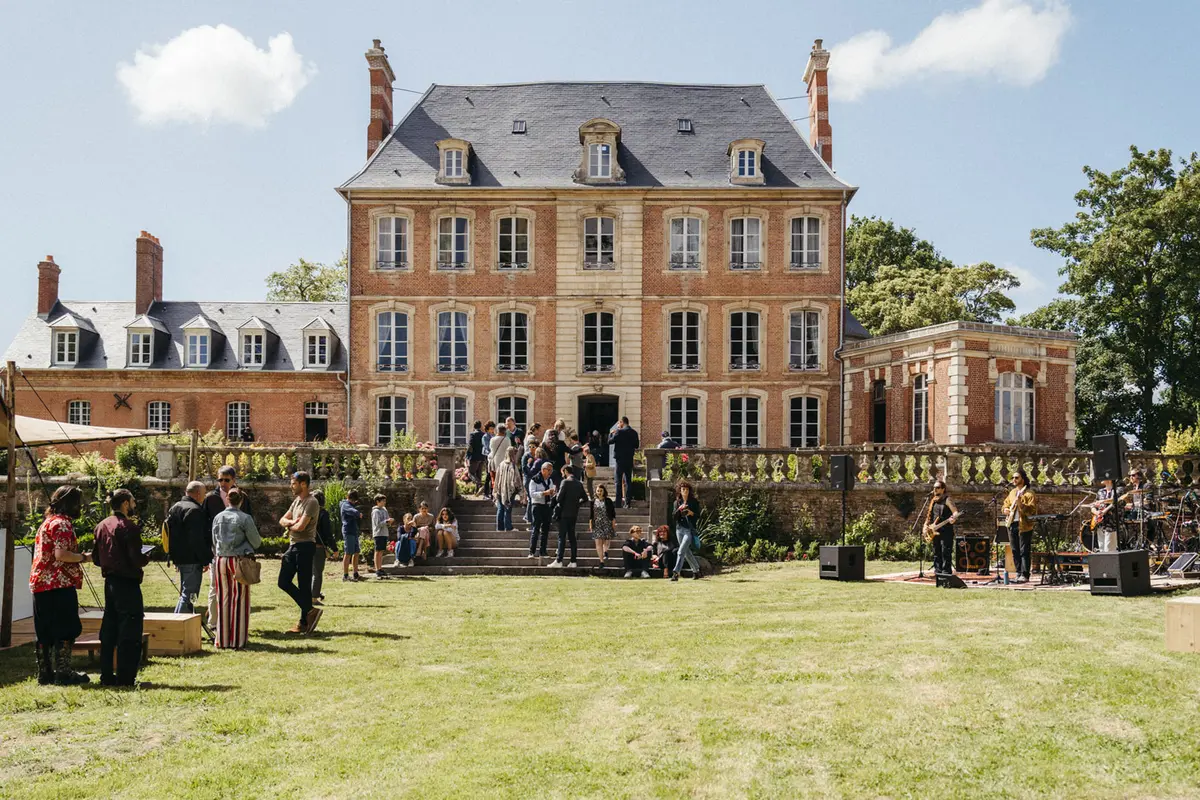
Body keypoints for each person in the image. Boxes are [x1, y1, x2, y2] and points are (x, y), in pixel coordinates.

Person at [29, 485, 90, 686]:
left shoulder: (47, 522)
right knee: (67, 628)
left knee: (44, 630)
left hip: (40, 583)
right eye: (78, 503)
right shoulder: (63, 524)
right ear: (70, 503)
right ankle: (63, 672)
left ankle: (45, 673)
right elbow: (61, 554)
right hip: (59, 582)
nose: (80, 507)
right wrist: (84, 557)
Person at [92, 489, 151, 687]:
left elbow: (96, 559)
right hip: (127, 583)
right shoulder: (129, 527)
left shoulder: (101, 526)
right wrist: (146, 558)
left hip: (110, 583)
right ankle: (126, 678)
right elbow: (136, 559)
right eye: (133, 502)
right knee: (130, 629)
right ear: (125, 503)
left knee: (109, 628)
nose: (134, 505)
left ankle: (107, 675)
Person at [211, 488, 262, 650]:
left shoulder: (218, 517)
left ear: (227, 499)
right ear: (241, 501)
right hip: (238, 560)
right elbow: (256, 542)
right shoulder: (245, 518)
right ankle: (238, 640)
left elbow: (213, 540)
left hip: (220, 560)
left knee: (223, 598)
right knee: (239, 600)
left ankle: (222, 640)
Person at [203, 466, 253, 624]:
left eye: (226, 480)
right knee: (214, 586)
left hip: (239, 552)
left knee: (239, 588)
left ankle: (235, 621)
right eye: (220, 480)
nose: (222, 483)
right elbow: (205, 526)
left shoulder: (242, 497)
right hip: (217, 550)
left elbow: (249, 522)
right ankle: (213, 622)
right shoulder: (211, 498)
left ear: (234, 480)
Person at [278, 471, 323, 634]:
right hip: (294, 546)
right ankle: (310, 610)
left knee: (304, 586)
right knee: (283, 581)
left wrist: (289, 525)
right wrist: (291, 523)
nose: (291, 486)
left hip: (305, 546)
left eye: (294, 483)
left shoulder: (312, 502)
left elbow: (301, 527)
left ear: (303, 484)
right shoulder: (296, 501)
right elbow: (282, 520)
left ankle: (304, 622)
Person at [167, 481, 209, 615]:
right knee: (189, 594)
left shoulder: (175, 507)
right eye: (204, 493)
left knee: (185, 593)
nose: (204, 496)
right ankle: (178, 625)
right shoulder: (195, 510)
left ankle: (179, 624)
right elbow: (196, 539)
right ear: (198, 494)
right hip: (192, 558)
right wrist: (205, 559)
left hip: (179, 557)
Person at [1001, 469, 1037, 583]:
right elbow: (1004, 505)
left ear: (1023, 479)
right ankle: (1018, 572)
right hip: (1012, 523)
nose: (1014, 480)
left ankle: (1025, 574)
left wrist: (1021, 504)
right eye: (1013, 478)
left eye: (1017, 477)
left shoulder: (1029, 493)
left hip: (1024, 525)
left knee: (1024, 550)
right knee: (1015, 550)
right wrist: (1005, 510)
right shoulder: (1012, 493)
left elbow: (1032, 510)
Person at [550, 465, 587, 568]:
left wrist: (556, 496)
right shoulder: (579, 483)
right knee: (572, 538)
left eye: (563, 472)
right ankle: (573, 561)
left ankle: (559, 560)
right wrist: (577, 504)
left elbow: (559, 498)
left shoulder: (565, 482)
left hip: (564, 513)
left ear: (565, 471)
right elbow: (585, 498)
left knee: (562, 537)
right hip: (573, 513)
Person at [924, 480, 960, 575]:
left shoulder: (947, 499)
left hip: (946, 530)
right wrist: (926, 527)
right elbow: (929, 516)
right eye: (934, 487)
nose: (935, 489)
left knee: (945, 551)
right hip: (935, 530)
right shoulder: (933, 500)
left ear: (943, 489)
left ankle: (946, 572)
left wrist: (953, 519)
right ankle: (938, 571)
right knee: (937, 551)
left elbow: (955, 512)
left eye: (938, 487)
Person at [671, 480, 702, 581]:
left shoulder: (693, 502)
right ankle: (697, 570)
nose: (685, 491)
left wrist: (690, 513)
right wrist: (679, 510)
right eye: (683, 489)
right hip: (679, 529)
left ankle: (676, 572)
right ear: (680, 490)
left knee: (681, 551)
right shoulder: (677, 502)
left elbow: (698, 515)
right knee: (686, 551)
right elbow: (674, 517)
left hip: (689, 529)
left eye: (687, 489)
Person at [311, 489, 338, 605]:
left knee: (309, 573)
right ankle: (313, 598)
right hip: (317, 546)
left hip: (305, 545)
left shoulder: (306, 513)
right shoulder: (323, 514)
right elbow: (327, 534)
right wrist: (335, 549)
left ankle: (311, 594)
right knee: (317, 573)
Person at [608, 416, 640, 508]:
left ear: (622, 422)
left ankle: (618, 503)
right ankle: (627, 502)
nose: (618, 425)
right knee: (628, 481)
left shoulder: (619, 432)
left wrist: (611, 434)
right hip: (629, 459)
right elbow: (637, 446)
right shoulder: (634, 433)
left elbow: (610, 441)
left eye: (619, 423)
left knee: (618, 481)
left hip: (619, 459)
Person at [527, 462, 556, 558]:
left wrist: (552, 493)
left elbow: (551, 490)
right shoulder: (534, 480)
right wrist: (544, 493)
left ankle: (543, 551)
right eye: (549, 470)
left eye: (551, 470)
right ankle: (532, 551)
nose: (550, 472)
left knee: (545, 530)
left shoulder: (550, 480)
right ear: (543, 470)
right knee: (536, 528)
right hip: (537, 505)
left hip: (546, 506)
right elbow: (532, 494)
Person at [494, 445, 522, 532]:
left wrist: (495, 490)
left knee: (500, 508)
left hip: (500, 490)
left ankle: (500, 527)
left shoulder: (501, 464)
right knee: (507, 509)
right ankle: (508, 527)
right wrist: (520, 491)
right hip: (510, 490)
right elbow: (517, 479)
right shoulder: (513, 466)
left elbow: (497, 477)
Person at [589, 484, 617, 566]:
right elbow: (591, 514)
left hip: (607, 522)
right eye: (598, 491)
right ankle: (601, 561)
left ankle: (606, 551)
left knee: (606, 541)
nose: (599, 492)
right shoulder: (593, 501)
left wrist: (613, 523)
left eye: (601, 491)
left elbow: (613, 513)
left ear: (604, 491)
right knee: (598, 542)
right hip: (597, 524)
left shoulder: (608, 501)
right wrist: (590, 524)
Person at [1091, 477, 1121, 553]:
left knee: (1109, 548)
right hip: (1100, 522)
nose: (1101, 478)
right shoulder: (1100, 491)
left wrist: (1104, 511)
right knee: (1101, 548)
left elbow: (1115, 503)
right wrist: (1096, 512)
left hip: (1111, 522)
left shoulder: (1117, 490)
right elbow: (1094, 505)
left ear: (1110, 480)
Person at [340, 489, 364, 581]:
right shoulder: (345, 504)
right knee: (348, 553)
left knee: (356, 552)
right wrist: (358, 514)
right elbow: (352, 511)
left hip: (354, 531)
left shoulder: (350, 504)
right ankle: (345, 575)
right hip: (348, 531)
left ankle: (355, 573)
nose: (353, 502)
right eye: (352, 500)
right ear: (348, 498)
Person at [370, 494, 394, 578]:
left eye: (385, 501)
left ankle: (380, 568)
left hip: (384, 533)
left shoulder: (384, 510)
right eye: (383, 501)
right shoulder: (375, 511)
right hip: (378, 533)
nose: (384, 502)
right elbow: (377, 524)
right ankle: (377, 569)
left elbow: (386, 521)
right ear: (378, 502)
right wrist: (386, 521)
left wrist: (389, 521)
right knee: (378, 551)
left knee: (381, 551)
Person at [488, 422, 509, 499]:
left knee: (494, 480)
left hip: (494, 463)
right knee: (503, 480)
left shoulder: (492, 439)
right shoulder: (507, 439)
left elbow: (491, 449)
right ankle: (503, 495)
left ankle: (495, 496)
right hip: (504, 463)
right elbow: (508, 450)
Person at [467, 420, 488, 495]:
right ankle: (477, 492)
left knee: (470, 473)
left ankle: (480, 484)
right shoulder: (483, 434)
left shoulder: (473, 434)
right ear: (481, 426)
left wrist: (467, 456)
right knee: (478, 474)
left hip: (474, 457)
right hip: (482, 457)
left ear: (474, 426)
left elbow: (470, 446)